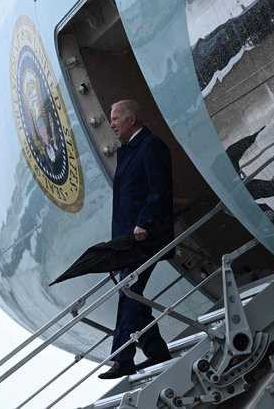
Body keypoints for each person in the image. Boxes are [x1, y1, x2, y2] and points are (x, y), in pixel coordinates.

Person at [98, 100, 173, 380]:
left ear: (132, 119)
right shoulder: (127, 152)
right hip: (127, 241)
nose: (112, 124)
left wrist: (145, 221)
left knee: (128, 293)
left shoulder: (150, 145)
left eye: (116, 118)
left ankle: (123, 358)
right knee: (132, 296)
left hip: (145, 237)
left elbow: (160, 190)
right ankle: (156, 352)